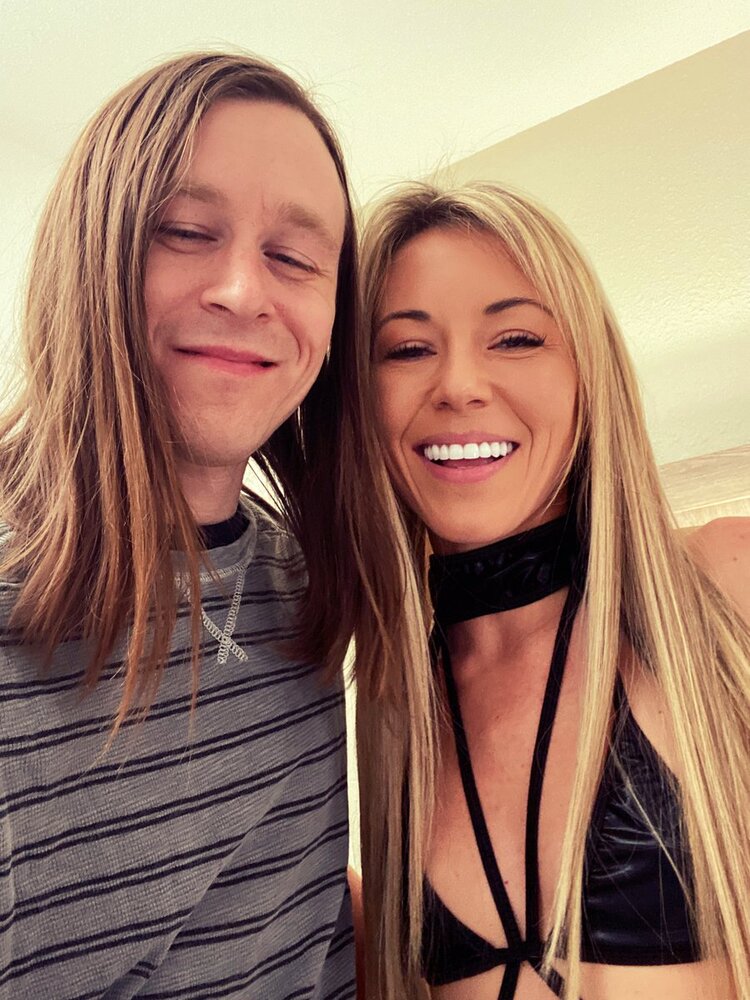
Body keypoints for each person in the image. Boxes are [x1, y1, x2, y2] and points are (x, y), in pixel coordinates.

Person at [0, 53, 362, 999]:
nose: (243, 290)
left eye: (295, 258)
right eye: (186, 232)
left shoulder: (303, 580)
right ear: (91, 252)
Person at [341, 182, 750, 999]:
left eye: (516, 338)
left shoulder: (724, 586)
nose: (459, 384)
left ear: (588, 375)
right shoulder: (390, 702)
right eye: (408, 349)